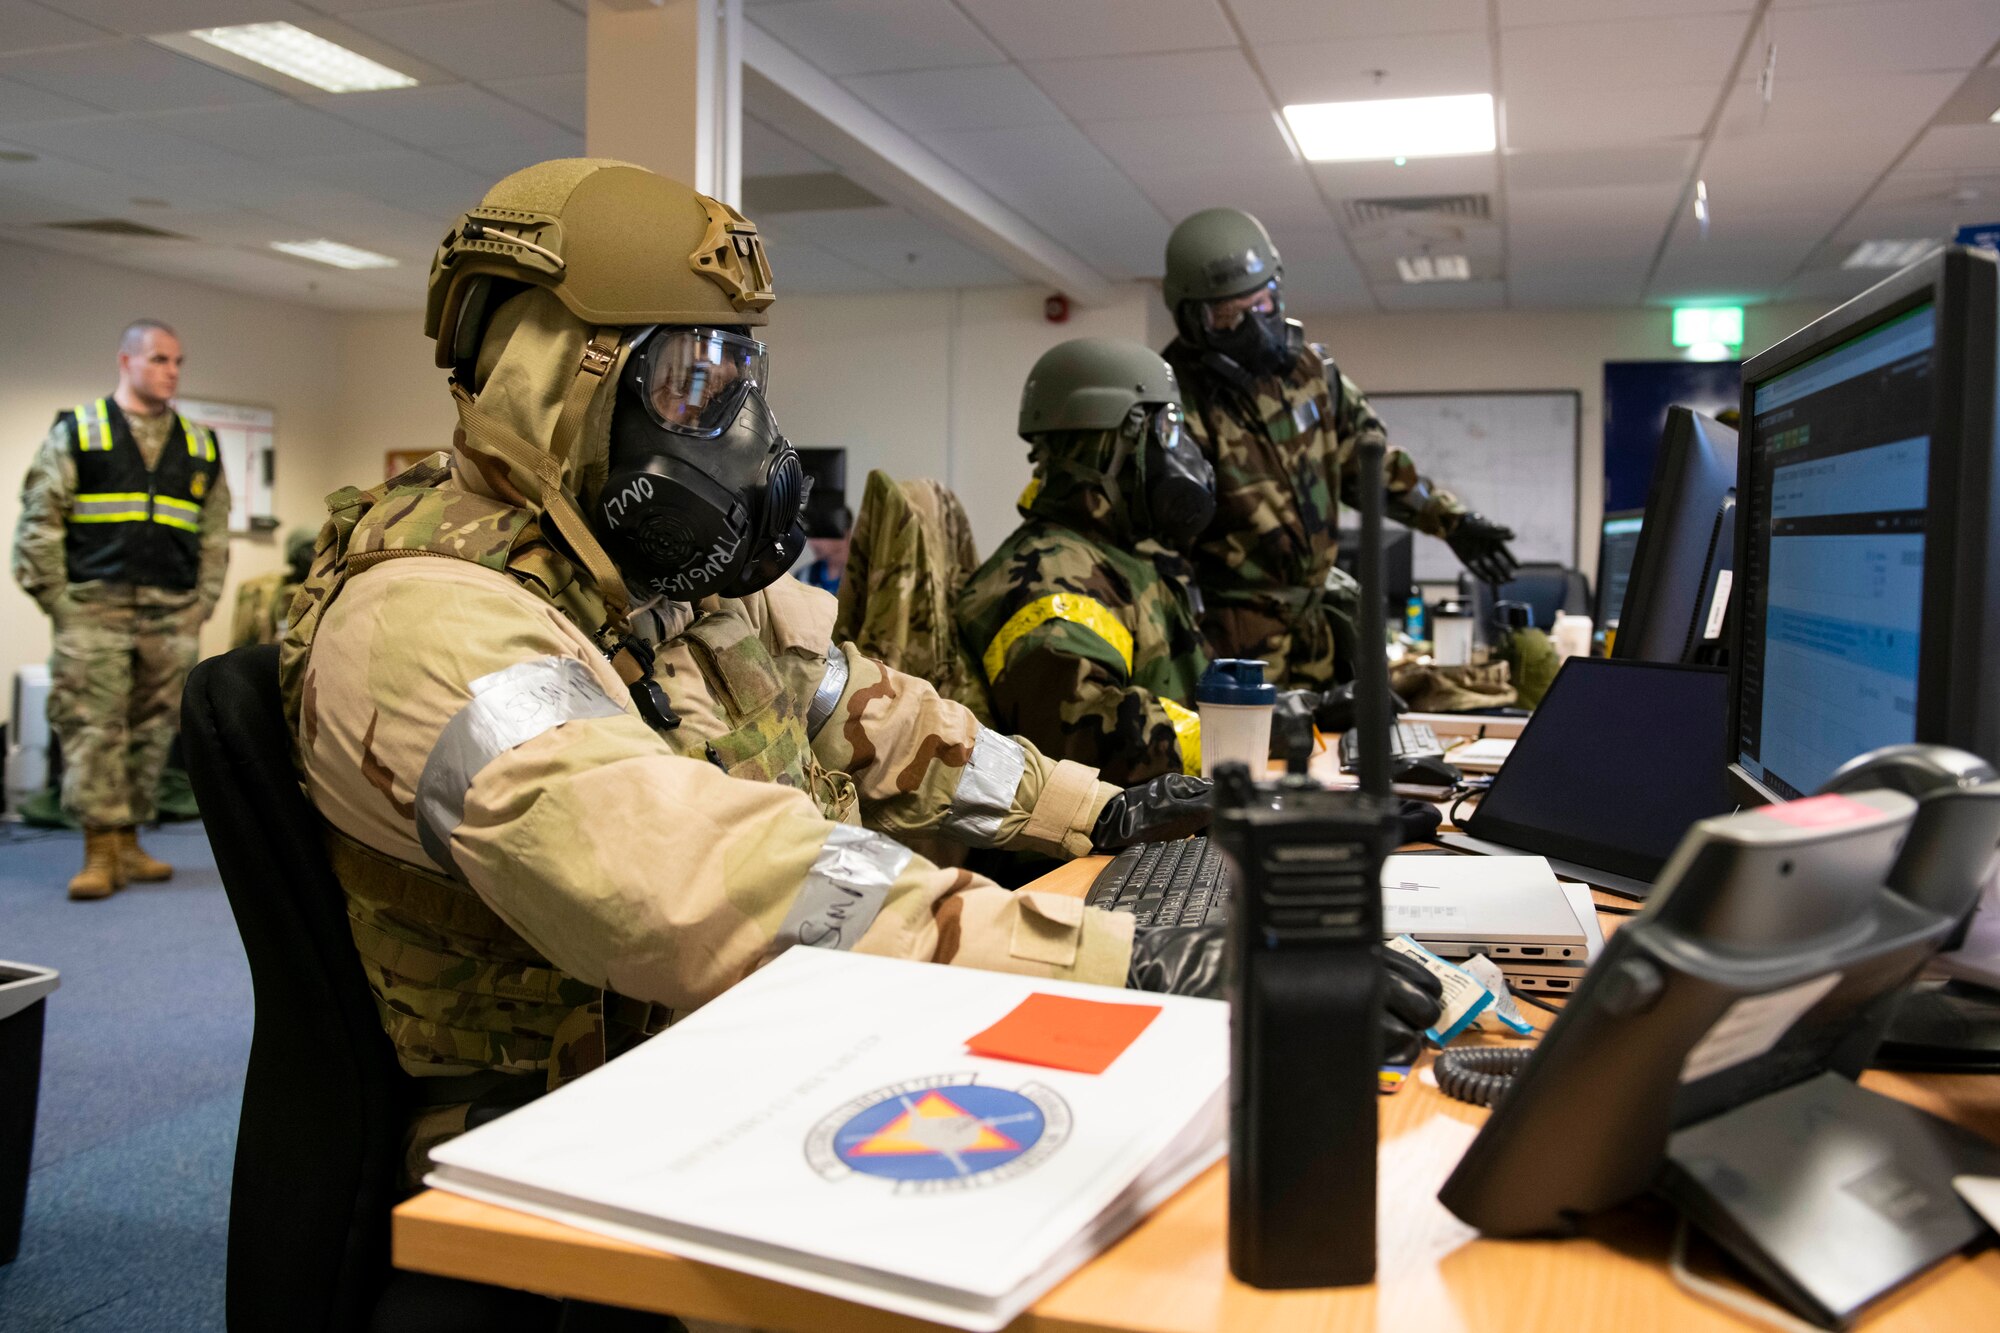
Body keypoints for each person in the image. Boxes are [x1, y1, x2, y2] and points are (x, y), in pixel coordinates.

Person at [280, 160, 1235, 1169]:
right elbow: (690, 877)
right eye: (690, 383)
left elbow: (872, 712)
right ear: (555, 377)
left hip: (742, 1047)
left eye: (739, 380)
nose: (742, 434)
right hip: (575, 1133)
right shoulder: (429, 621)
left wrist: (1090, 814)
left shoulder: (651, 573)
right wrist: (1106, 959)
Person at [1159, 208, 1520, 687]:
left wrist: (1450, 520)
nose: (1254, 328)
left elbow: (1371, 464)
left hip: (1320, 627)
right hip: (1232, 642)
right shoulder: (1169, 398)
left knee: (1333, 752)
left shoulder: (1312, 373)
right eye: (1228, 316)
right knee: (1244, 759)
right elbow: (1162, 547)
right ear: (1193, 318)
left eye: (1262, 305)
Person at [12, 319, 229, 899]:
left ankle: (131, 841)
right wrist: (59, 602)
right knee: (94, 729)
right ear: (126, 361)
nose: (172, 371)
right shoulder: (80, 432)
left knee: (152, 732)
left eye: (178, 361)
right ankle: (99, 850)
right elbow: (40, 523)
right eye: (160, 359)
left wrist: (202, 603)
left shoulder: (200, 443)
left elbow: (213, 534)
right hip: (95, 609)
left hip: (171, 611)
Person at [956, 339, 1212, 785]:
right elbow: (1083, 737)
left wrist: (1277, 712)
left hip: (1161, 828)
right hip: (1086, 850)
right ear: (1109, 444)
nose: (1180, 453)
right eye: (1165, 431)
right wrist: (1234, 739)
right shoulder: (1044, 574)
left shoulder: (1126, 560)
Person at [229, 526, 316, 648]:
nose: (316, 558)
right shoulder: (260, 589)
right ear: (296, 554)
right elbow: (242, 641)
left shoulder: (326, 591)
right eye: (311, 551)